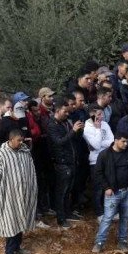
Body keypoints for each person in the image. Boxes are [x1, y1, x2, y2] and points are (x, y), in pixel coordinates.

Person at [0, 128, 37, 254]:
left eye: (22, 140)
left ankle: (17, 248)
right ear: (11, 140)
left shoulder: (24, 151)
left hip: (23, 193)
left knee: (20, 221)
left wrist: (32, 189)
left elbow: (31, 170)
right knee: (11, 222)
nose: (21, 142)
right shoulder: (1, 154)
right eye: (18, 140)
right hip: (9, 195)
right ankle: (9, 252)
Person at [92, 133, 128, 253]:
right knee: (107, 218)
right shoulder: (105, 154)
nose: (125, 144)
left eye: (126, 141)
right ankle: (100, 242)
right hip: (113, 193)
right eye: (123, 141)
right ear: (116, 140)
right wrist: (106, 187)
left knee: (125, 217)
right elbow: (98, 173)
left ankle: (122, 240)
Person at [47, 98, 84, 229]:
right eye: (65, 111)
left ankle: (67, 213)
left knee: (68, 190)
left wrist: (78, 131)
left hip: (71, 160)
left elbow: (73, 140)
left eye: (68, 112)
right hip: (61, 163)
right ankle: (61, 219)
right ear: (57, 110)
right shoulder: (52, 125)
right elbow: (59, 142)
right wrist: (73, 131)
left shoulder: (66, 123)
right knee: (61, 191)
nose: (67, 114)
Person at [83, 104, 114, 221]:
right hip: (95, 161)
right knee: (98, 188)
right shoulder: (87, 128)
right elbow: (95, 146)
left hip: (108, 158)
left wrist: (101, 143)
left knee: (108, 186)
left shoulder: (105, 124)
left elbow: (111, 141)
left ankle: (109, 211)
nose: (102, 117)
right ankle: (99, 213)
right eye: (99, 114)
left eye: (102, 114)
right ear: (92, 115)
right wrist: (97, 129)